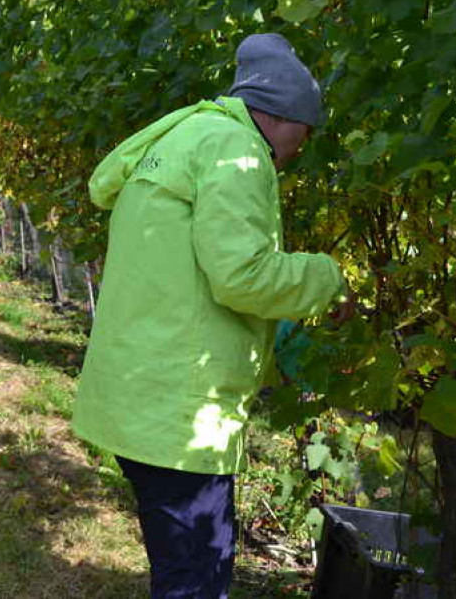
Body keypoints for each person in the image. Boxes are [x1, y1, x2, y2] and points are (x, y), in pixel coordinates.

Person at [71, 34, 356, 599]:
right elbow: (242, 275)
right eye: (306, 128)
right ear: (280, 116)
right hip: (179, 409)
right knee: (196, 578)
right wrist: (329, 278)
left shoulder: (186, 137)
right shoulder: (237, 152)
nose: (304, 146)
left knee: (182, 567)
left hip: (141, 393)